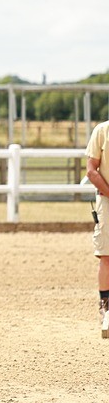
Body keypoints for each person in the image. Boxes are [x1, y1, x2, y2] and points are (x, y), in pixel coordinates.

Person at [85, 118, 109, 334]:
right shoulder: (102, 131)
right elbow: (91, 170)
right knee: (106, 254)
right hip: (107, 200)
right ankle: (106, 304)